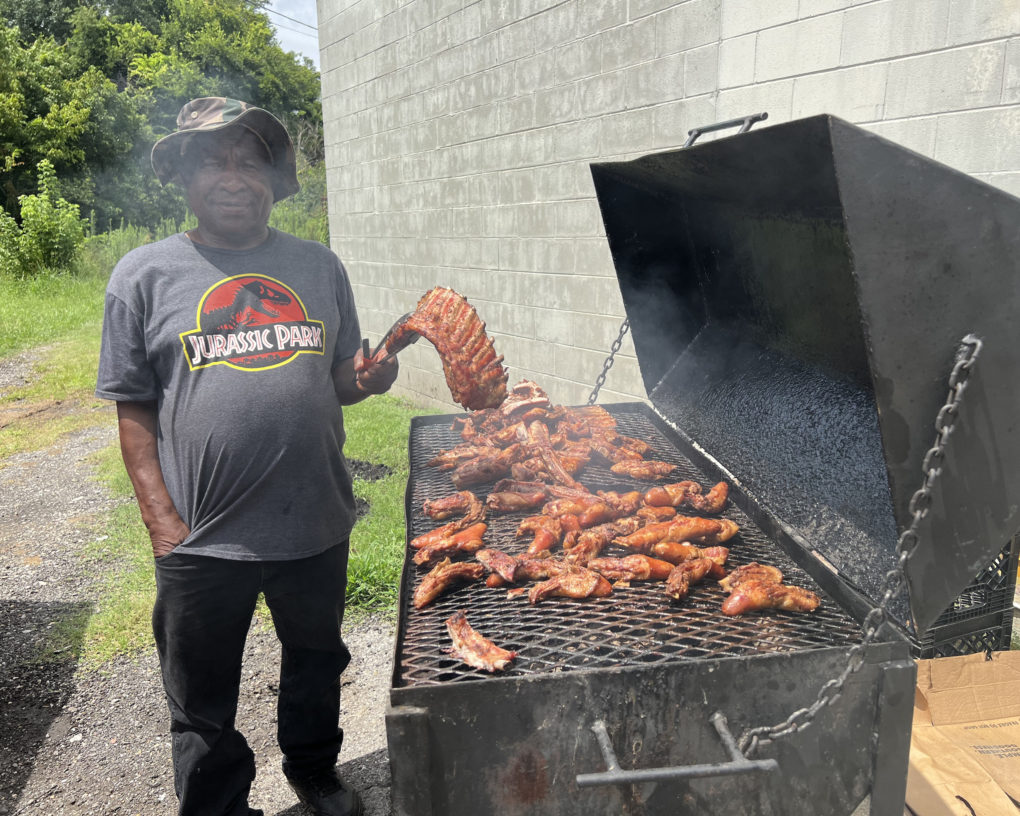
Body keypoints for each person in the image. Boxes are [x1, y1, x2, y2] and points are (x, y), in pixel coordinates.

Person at [95, 97, 398, 816]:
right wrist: (161, 521)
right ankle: (217, 807)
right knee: (201, 696)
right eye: (212, 160)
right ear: (184, 177)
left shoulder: (318, 266)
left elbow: (339, 381)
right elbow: (132, 408)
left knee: (318, 665)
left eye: (249, 160)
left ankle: (315, 772)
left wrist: (371, 376)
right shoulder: (143, 276)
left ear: (273, 178)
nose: (233, 176)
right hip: (202, 538)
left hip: (316, 519)